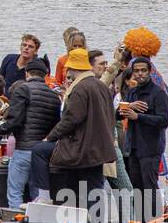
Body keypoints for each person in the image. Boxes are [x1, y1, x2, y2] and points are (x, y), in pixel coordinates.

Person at [23, 48, 115, 213]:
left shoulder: (80, 87)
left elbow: (71, 119)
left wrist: (50, 137)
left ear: (73, 69)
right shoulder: (101, 86)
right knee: (93, 189)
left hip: (82, 147)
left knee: (39, 150)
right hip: (100, 149)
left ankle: (44, 197)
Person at [0, 56, 61, 208]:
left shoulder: (22, 89)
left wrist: (1, 129)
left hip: (23, 150)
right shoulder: (54, 96)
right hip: (43, 154)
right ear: (45, 75)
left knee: (15, 193)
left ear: (27, 73)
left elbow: (15, 120)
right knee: (37, 198)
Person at [119, 56, 168, 221]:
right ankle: (141, 221)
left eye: (143, 71)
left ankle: (155, 221)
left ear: (150, 72)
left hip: (150, 148)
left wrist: (138, 116)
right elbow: (119, 114)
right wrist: (125, 110)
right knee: (137, 188)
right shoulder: (132, 92)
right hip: (133, 147)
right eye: (136, 71)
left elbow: (163, 120)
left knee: (150, 187)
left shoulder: (158, 93)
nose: (140, 74)